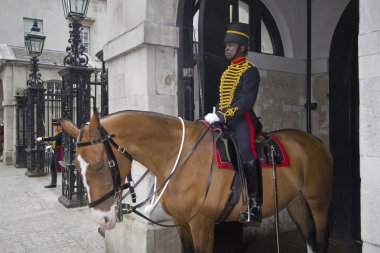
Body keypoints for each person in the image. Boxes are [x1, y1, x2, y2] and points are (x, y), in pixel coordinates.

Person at [204, 22, 263, 223]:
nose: (226, 48)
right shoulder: (227, 72)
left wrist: (223, 116)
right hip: (225, 118)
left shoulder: (250, 70)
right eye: (226, 45)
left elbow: (246, 101)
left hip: (241, 119)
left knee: (247, 150)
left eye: (231, 44)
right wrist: (215, 114)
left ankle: (256, 203)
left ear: (242, 48)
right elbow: (223, 99)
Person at [36, 120, 63, 188]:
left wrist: (43, 138)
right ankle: (53, 183)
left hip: (60, 150)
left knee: (59, 168)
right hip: (55, 150)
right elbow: (54, 140)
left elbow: (54, 138)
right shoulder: (57, 132)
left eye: (60, 125)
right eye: (58, 125)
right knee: (52, 166)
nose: (58, 127)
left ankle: (67, 183)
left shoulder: (62, 133)